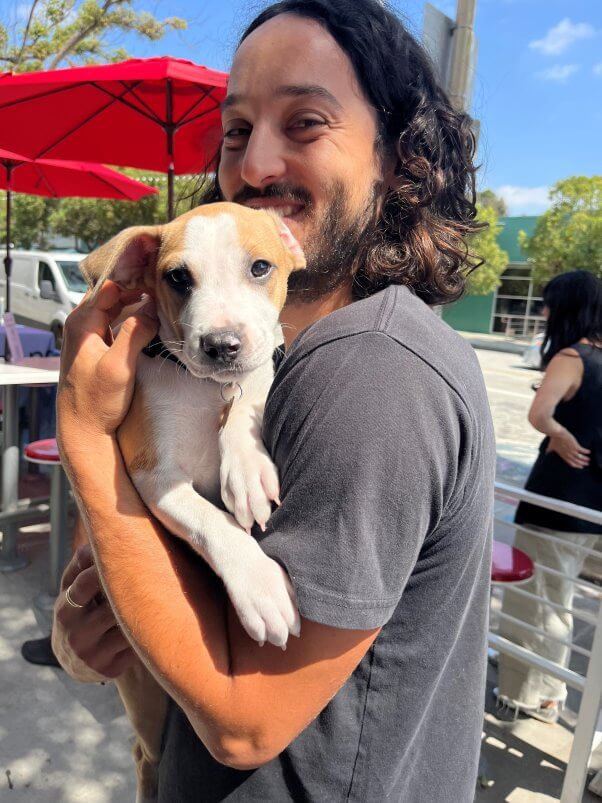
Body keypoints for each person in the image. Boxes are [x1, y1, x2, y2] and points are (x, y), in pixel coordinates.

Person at [51, 1, 496, 800]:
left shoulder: (374, 365)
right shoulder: (284, 352)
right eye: (236, 129)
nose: (255, 165)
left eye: (306, 122)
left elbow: (244, 723)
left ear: (402, 158)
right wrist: (99, 613)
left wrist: (83, 427)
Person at [497, 270, 602, 723]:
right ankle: (552, 688)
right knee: (560, 596)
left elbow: (540, 415)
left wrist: (557, 432)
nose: (543, 311)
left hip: (558, 495)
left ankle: (531, 695)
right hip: (593, 501)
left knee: (539, 600)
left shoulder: (572, 356)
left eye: (548, 302)